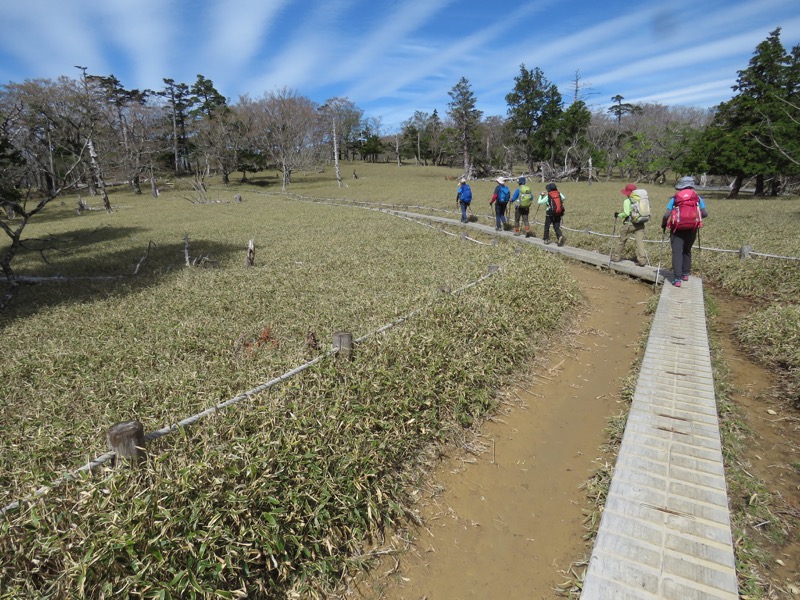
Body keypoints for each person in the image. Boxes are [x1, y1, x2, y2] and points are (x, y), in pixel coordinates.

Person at [660, 176, 708, 287]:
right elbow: (705, 214)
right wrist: (693, 218)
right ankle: (685, 274)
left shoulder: (675, 198)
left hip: (677, 229)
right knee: (687, 250)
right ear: (692, 185)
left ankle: (677, 279)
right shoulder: (698, 198)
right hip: (692, 229)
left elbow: (666, 214)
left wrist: (663, 224)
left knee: (677, 252)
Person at [611, 183, 647, 266]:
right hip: (640, 223)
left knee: (622, 240)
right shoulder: (641, 200)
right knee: (639, 242)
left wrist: (618, 215)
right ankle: (642, 260)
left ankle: (616, 257)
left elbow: (626, 213)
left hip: (629, 224)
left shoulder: (627, 201)